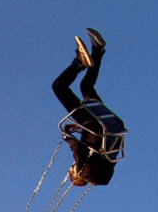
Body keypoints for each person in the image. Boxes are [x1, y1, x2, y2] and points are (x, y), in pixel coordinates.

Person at [51, 29, 124, 187]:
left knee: (86, 86)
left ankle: (97, 49)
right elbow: (77, 148)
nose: (73, 165)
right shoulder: (85, 170)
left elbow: (92, 147)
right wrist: (67, 137)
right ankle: (79, 62)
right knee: (59, 87)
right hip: (95, 125)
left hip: (109, 126)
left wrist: (76, 128)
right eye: (72, 169)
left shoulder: (103, 168)